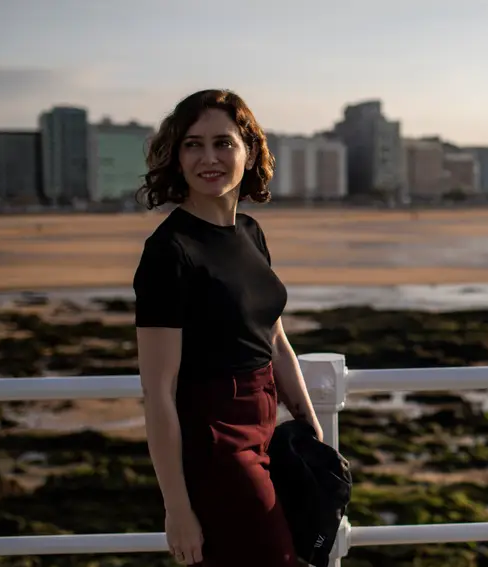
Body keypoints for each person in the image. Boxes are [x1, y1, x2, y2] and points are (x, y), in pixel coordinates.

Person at [133, 89, 325, 567]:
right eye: (193, 145)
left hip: (267, 426)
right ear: (176, 158)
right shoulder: (169, 252)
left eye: (223, 143)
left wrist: (312, 429)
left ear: (251, 150)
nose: (209, 158)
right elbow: (158, 390)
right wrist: (176, 508)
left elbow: (276, 341)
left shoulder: (251, 233)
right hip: (217, 439)